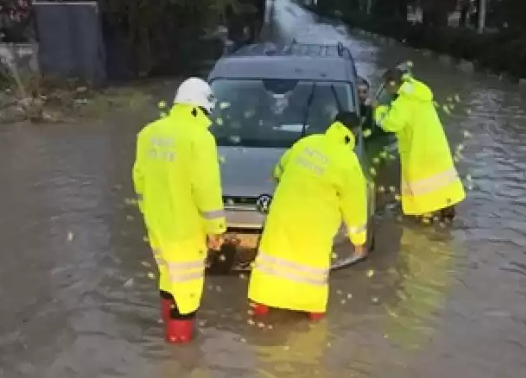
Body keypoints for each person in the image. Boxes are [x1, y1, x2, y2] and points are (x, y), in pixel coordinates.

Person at [248, 111, 368, 321]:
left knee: (272, 265)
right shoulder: (348, 162)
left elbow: (279, 169)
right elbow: (355, 205)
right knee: (309, 273)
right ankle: (311, 313)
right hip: (315, 226)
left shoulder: (307, 143)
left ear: (333, 124)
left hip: (282, 217)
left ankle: (262, 306)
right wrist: (358, 240)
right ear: (355, 132)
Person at [133, 77, 227, 344]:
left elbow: (139, 178)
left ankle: (168, 338)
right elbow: (206, 188)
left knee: (168, 276)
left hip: (157, 224)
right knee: (186, 290)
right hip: (185, 229)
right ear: (200, 108)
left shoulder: (148, 133)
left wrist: (146, 210)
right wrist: (216, 229)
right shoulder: (200, 138)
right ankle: (180, 355)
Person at [371, 64, 465, 221]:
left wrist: (377, 109)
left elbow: (390, 123)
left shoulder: (404, 102)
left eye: (386, 86)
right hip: (436, 146)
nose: (386, 90)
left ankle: (424, 216)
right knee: (443, 183)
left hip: (419, 150)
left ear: (392, 84)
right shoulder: (417, 91)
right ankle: (447, 215)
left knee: (422, 187)